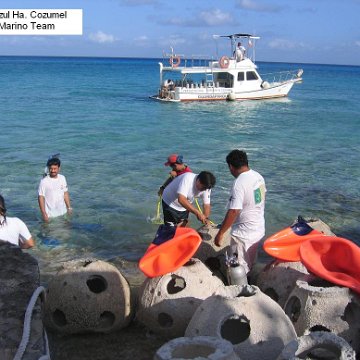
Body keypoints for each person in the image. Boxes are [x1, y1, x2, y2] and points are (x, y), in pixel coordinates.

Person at [214, 150, 266, 274]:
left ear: (231, 166)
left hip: (243, 235)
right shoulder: (258, 176)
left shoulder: (239, 183)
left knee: (238, 270)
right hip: (258, 230)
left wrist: (221, 233)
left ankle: (241, 290)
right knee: (250, 264)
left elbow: (234, 211)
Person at [38, 157, 72, 222]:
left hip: (63, 212)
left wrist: (69, 207)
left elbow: (65, 193)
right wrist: (44, 213)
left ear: (59, 168)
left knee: (66, 230)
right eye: (51, 169)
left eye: (55, 169)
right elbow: (40, 197)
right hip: (50, 215)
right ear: (48, 168)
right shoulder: (44, 181)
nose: (53, 171)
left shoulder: (62, 178)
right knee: (50, 231)